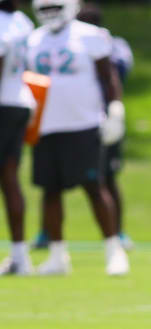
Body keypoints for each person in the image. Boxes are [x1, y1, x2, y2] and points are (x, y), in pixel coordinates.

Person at [26, 0, 129, 275]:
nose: (50, 13)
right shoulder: (33, 40)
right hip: (46, 125)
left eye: (55, 7)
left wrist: (115, 109)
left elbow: (108, 78)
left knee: (94, 186)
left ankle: (113, 249)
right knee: (50, 191)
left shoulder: (90, 35)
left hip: (83, 123)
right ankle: (57, 255)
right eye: (45, 8)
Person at [0, 0, 34, 275]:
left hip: (2, 103)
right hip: (20, 101)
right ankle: (20, 256)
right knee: (10, 178)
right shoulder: (23, 21)